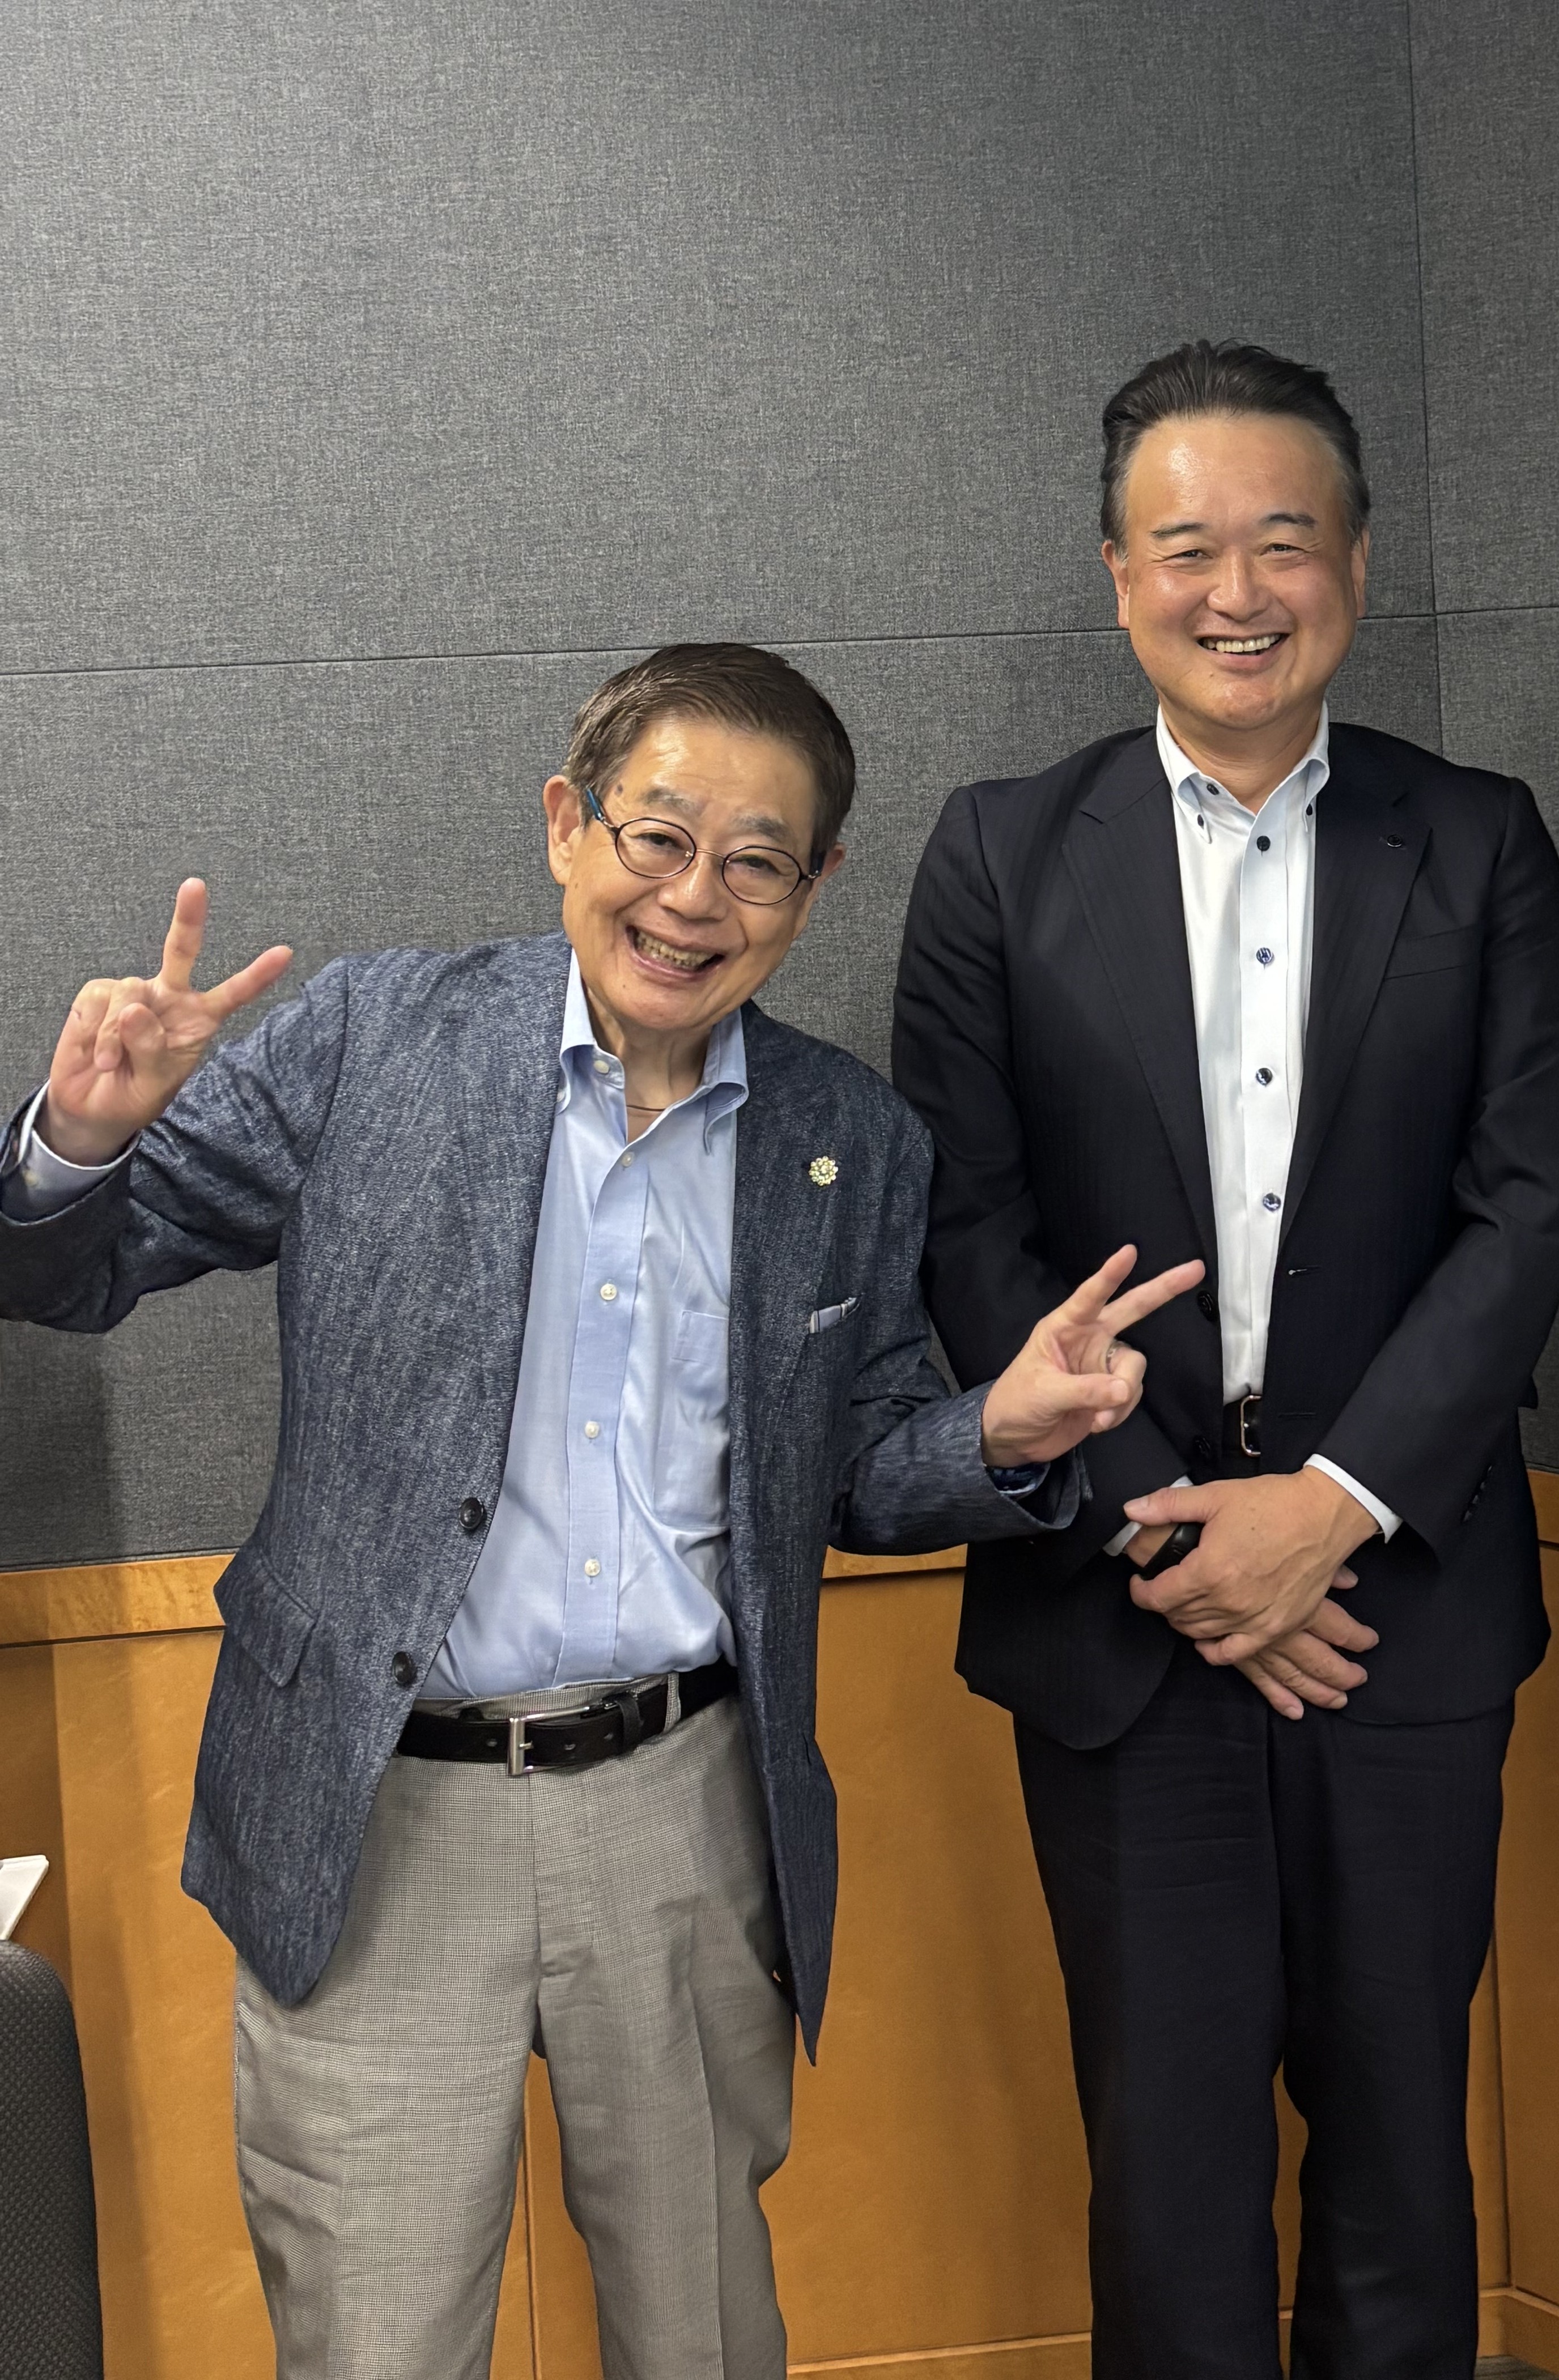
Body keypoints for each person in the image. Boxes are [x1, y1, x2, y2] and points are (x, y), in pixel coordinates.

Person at [0, 642, 1199, 2380]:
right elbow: (74, 1270)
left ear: (813, 886)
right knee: (373, 2341)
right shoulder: (373, 1037)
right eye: (658, 836)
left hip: (685, 1803)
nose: (694, 897)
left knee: (698, 2328)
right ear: (568, 824)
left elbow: (856, 1469)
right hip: (379, 1807)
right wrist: (80, 1143)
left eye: (756, 859)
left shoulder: (849, 1138)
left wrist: (994, 1435)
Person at [890, 341, 1559, 2377]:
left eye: (1284, 541)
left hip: (1403, 1616)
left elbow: (1527, 1203)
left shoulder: (1478, 840)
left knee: (1402, 2156)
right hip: (1121, 1629)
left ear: (1354, 565)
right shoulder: (998, 852)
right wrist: (1175, 1537)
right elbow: (965, 1226)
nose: (1237, 590)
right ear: (1119, 577)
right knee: (1166, 2170)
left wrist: (1330, 1508)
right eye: (1185, 545)